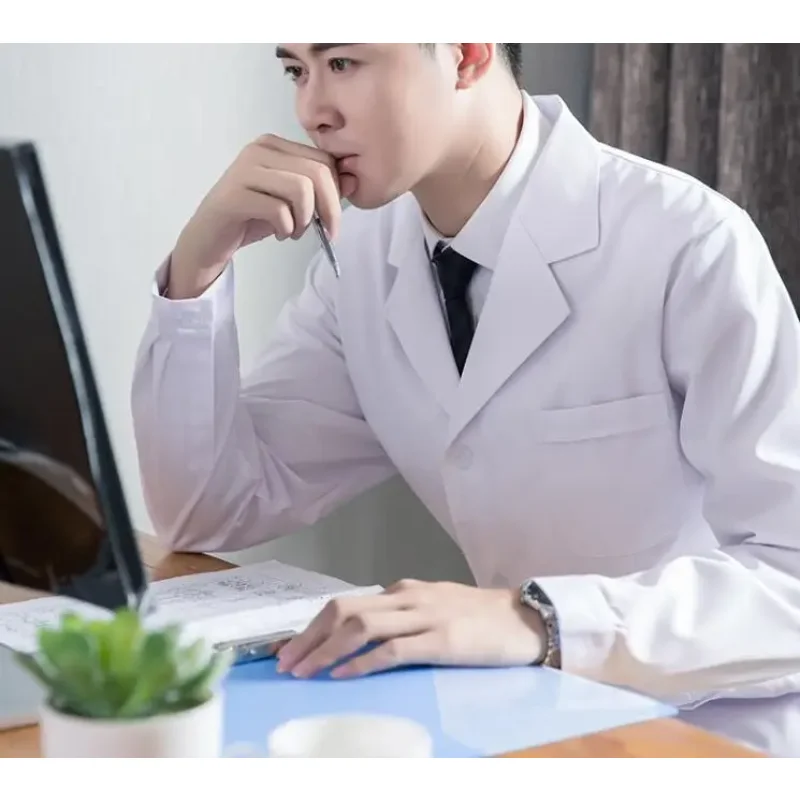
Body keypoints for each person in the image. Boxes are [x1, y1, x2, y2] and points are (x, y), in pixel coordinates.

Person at [131, 44, 800, 756]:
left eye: (344, 64)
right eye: (296, 70)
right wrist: (196, 268)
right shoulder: (363, 258)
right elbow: (207, 506)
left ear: (468, 52)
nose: (310, 111)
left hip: (717, 733)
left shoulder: (689, 243)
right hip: (536, 720)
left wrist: (537, 620)